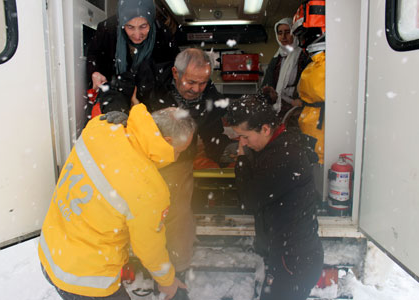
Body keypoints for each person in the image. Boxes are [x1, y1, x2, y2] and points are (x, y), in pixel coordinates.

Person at [105, 48, 236, 295]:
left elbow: (211, 132)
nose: (197, 88)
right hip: (140, 154)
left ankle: (177, 272)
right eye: (191, 82)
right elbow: (118, 89)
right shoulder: (149, 73)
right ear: (175, 73)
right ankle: (132, 260)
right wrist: (118, 109)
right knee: (132, 211)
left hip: (177, 159)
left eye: (203, 82)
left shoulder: (208, 96)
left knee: (175, 215)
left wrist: (224, 152)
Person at [38, 103, 196, 300]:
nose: (177, 156)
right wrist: (168, 281)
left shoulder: (99, 126)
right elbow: (149, 249)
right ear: (167, 141)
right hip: (86, 281)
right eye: (179, 150)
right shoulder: (149, 189)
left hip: (50, 254)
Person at [226, 96, 324, 300]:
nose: (242, 142)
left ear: (265, 128)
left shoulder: (284, 157)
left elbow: (248, 201)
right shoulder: (279, 144)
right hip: (289, 257)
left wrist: (242, 159)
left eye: (245, 136)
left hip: (293, 263)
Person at [86, 0, 179, 112]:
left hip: (151, 100)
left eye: (143, 26)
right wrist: (94, 72)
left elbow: (171, 69)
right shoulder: (108, 29)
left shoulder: (163, 34)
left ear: (151, 21)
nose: (137, 34)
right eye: (130, 27)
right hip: (115, 99)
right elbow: (93, 55)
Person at [292, 1, 326, 204]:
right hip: (312, 133)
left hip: (320, 139)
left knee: (318, 187)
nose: (303, 41)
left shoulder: (325, 64)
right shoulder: (317, 63)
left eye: (305, 34)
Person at [260, 17, 310, 120]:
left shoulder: (303, 56)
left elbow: (309, 85)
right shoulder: (276, 58)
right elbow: (268, 84)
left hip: (298, 109)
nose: (283, 37)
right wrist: (269, 94)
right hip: (278, 108)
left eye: (288, 32)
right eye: (280, 33)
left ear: (294, 34)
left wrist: (300, 100)